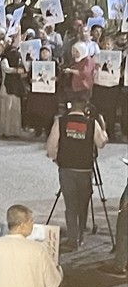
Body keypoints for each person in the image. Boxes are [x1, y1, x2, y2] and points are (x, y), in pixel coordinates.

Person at [47, 101, 109, 248]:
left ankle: (72, 239)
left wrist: (56, 159)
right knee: (83, 204)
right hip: (85, 170)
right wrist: (104, 128)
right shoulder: (92, 123)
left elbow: (51, 146)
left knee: (70, 205)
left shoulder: (60, 122)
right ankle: (81, 236)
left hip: (67, 168)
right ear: (86, 109)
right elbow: (101, 143)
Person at [0, 204, 63, 287]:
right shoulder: (38, 249)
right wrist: (58, 270)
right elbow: (52, 285)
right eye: (31, 221)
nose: (33, 224)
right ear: (22, 225)